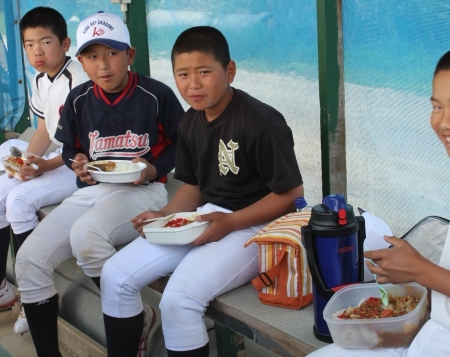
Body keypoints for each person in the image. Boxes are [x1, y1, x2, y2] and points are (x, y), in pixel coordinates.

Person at [308, 41, 450, 357]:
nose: (444, 122)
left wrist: (421, 271)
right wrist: (419, 276)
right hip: (444, 328)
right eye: (437, 106)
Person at [100, 26, 305, 357]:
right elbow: (194, 186)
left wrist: (230, 222)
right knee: (115, 275)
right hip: (209, 217)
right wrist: (163, 216)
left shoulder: (260, 122)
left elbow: (291, 195)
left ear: (230, 71)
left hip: (259, 228)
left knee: (178, 300)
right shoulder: (189, 122)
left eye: (204, 72)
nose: (193, 84)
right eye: (183, 74)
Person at [14, 11, 185, 357]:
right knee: (28, 260)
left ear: (130, 55)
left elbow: (183, 145)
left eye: (111, 53)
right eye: (92, 56)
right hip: (93, 189)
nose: (103, 64)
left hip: (143, 190)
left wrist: (153, 169)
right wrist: (76, 163)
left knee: (86, 236)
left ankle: (134, 319)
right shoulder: (79, 98)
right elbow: (70, 148)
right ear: (81, 60)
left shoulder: (155, 94)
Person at [0, 6, 89, 334]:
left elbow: (83, 145)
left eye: (45, 42)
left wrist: (44, 166)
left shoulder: (78, 77)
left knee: (19, 201)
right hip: (55, 158)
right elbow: (42, 130)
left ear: (65, 44)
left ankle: (32, 295)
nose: (37, 51)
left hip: (80, 164)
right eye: (29, 44)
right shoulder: (39, 79)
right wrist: (27, 162)